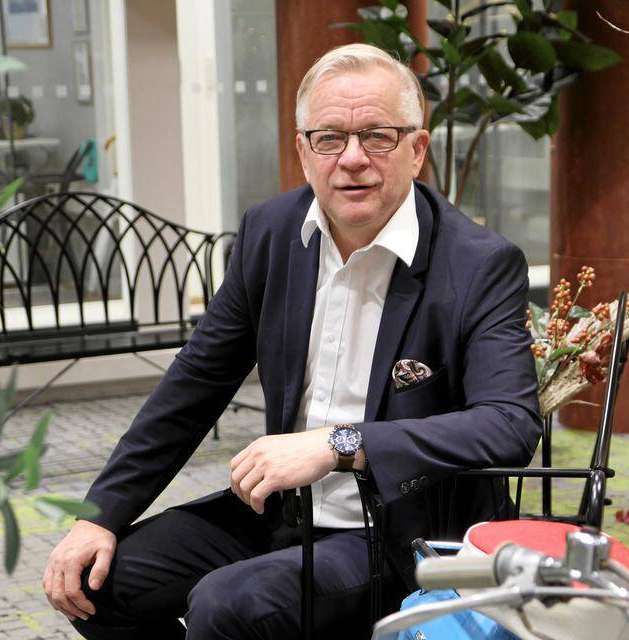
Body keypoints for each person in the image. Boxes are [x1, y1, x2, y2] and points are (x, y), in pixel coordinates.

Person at [43, 43, 542, 639]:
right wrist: (99, 516)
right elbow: (194, 385)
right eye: (329, 138)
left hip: (396, 534)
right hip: (280, 513)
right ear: (303, 151)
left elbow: (508, 424)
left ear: (416, 149)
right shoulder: (271, 233)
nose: (352, 158)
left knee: (227, 605)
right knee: (94, 582)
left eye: (377, 136)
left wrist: (340, 444)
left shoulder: (478, 263)